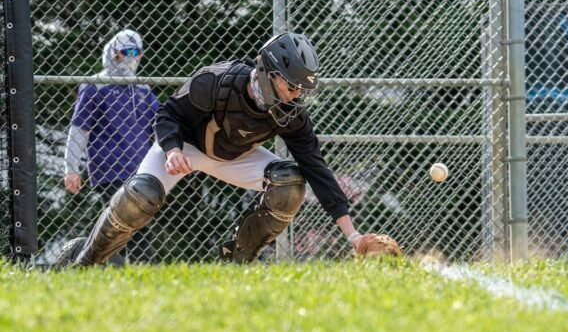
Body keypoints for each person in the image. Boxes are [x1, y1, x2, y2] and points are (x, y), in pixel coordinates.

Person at [58, 32, 394, 266]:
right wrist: (172, 149)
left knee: (290, 184)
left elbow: (317, 169)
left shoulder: (290, 113)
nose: (297, 95)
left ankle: (237, 260)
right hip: (186, 146)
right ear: (268, 74)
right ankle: (84, 263)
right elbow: (168, 114)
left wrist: (354, 236)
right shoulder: (216, 81)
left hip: (235, 156)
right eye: (292, 86)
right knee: (141, 195)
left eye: (302, 89)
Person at [63, 29, 160, 263]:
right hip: (109, 168)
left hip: (140, 170)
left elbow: (160, 127)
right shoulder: (96, 86)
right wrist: (71, 168)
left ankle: (85, 260)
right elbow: (79, 130)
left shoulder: (142, 91)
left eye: (136, 52)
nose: (130, 58)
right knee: (131, 221)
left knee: (123, 224)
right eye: (124, 52)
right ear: (112, 54)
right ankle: (147, 266)